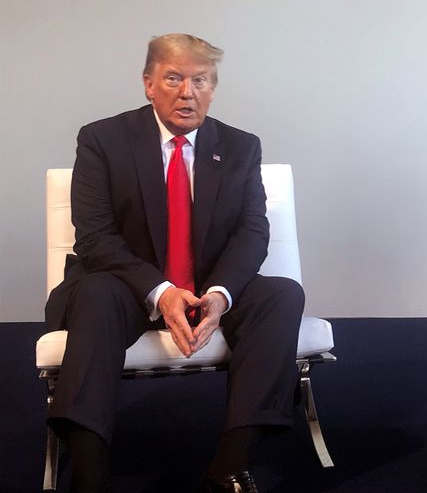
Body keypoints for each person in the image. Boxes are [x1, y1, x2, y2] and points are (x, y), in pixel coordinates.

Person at [45, 33, 304, 493]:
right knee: (96, 295)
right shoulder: (103, 139)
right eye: (174, 79)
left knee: (282, 294)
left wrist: (221, 293)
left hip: (206, 287)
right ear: (148, 84)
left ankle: (228, 468)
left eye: (200, 80)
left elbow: (252, 232)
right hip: (126, 287)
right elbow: (96, 237)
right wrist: (161, 291)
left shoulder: (241, 147)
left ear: (213, 86)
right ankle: (88, 476)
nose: (188, 92)